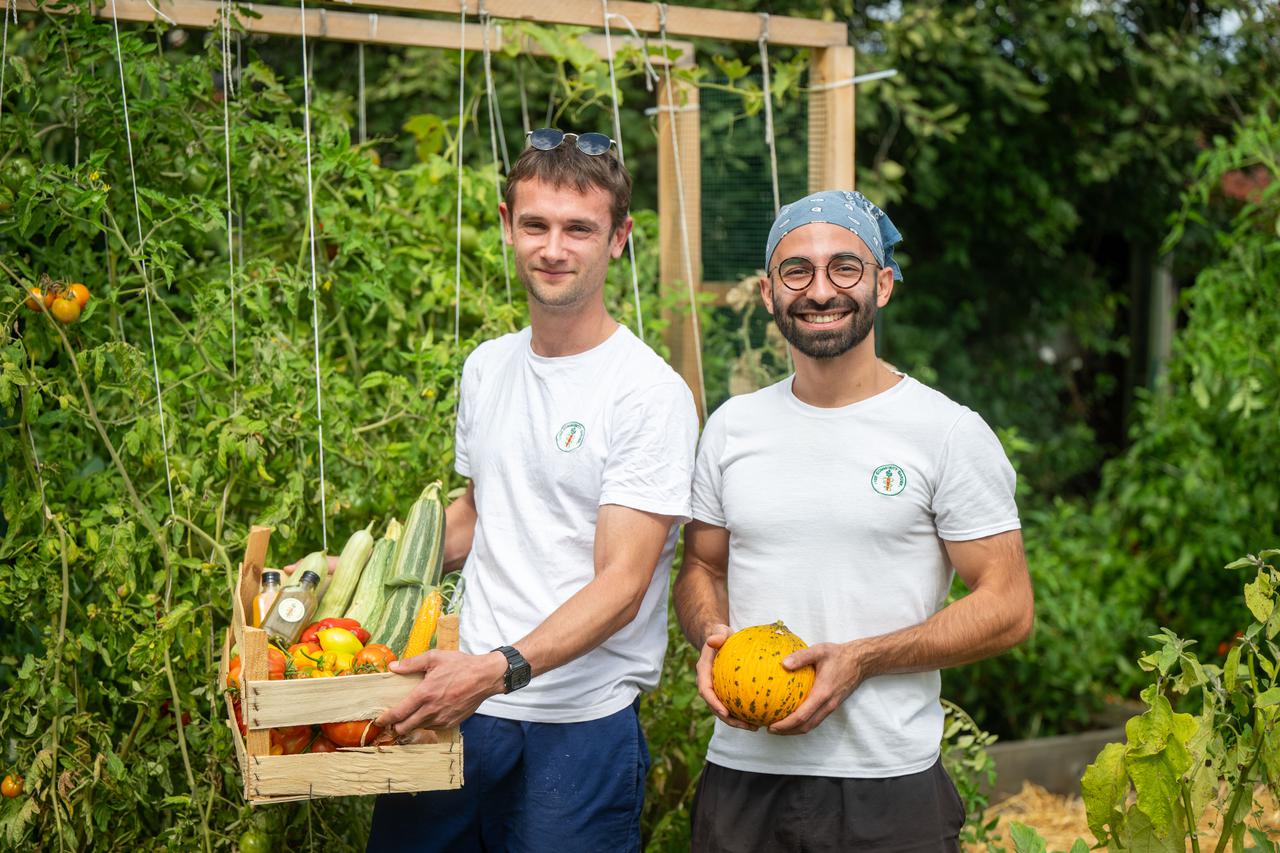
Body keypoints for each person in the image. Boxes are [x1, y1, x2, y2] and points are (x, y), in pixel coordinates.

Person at [362, 129, 699, 851]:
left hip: (577, 729)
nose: (554, 247)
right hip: (458, 703)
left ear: (618, 239)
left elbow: (624, 585)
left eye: (579, 228)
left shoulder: (647, 393)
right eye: (536, 224)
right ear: (507, 225)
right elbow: (482, 513)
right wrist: (363, 572)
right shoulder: (488, 366)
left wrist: (495, 670)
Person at [673, 189, 1035, 852]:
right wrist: (711, 636)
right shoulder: (731, 428)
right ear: (768, 292)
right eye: (796, 271)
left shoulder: (947, 432)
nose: (820, 290)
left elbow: (1009, 605)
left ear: (883, 284)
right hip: (742, 777)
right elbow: (701, 566)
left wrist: (862, 658)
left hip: (886, 784)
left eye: (845, 267)